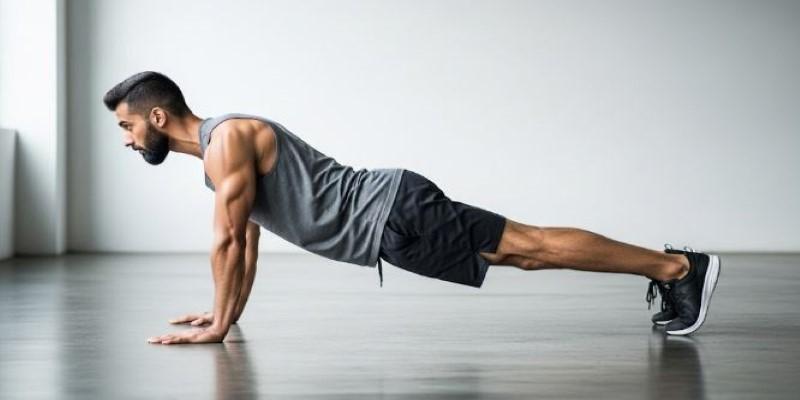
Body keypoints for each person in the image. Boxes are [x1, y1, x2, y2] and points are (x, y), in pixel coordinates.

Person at [102, 71, 721, 345]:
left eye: (128, 126)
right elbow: (249, 241)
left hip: (393, 211)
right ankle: (672, 269)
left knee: (527, 247)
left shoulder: (227, 139)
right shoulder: (217, 160)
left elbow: (228, 241)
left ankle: (678, 268)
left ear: (156, 116)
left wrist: (217, 325)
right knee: (524, 252)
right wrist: (225, 315)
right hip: (391, 223)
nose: (127, 140)